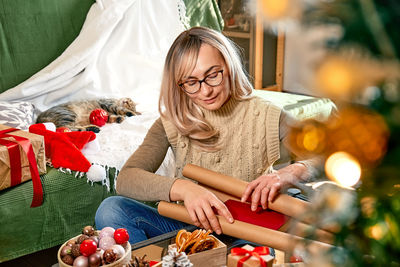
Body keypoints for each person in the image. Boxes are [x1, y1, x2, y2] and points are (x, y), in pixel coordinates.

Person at [95, 26, 318, 244]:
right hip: (189, 227)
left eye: (212, 75)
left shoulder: (268, 115)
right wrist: (184, 189)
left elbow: (334, 156)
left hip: (250, 231)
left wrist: (293, 171)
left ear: (229, 67)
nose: (205, 90)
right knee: (111, 209)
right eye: (191, 82)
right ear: (179, 85)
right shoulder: (171, 121)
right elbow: (126, 178)